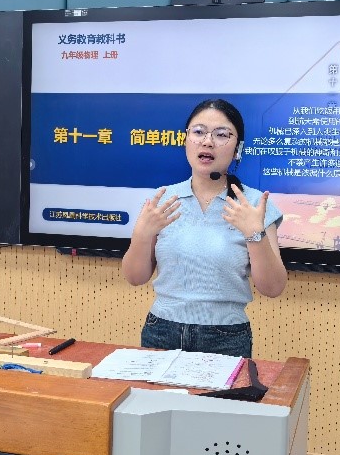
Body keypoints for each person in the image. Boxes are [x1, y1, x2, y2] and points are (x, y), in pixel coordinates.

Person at [121, 98, 287, 358]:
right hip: (161, 330)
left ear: (237, 148)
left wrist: (255, 235)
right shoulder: (163, 201)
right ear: (186, 140)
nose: (207, 142)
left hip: (226, 336)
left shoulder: (254, 204)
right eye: (198, 132)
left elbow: (273, 288)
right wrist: (142, 235)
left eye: (221, 134)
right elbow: (134, 277)